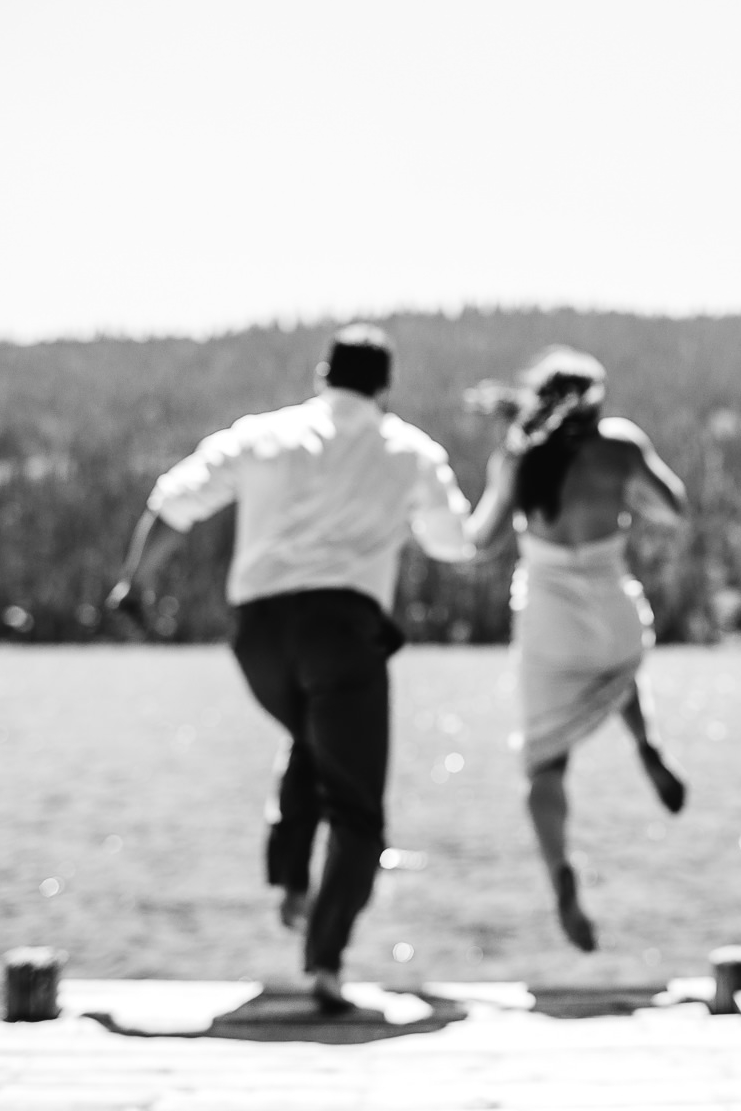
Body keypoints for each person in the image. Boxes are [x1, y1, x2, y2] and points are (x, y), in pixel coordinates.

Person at [105, 324, 476, 1012]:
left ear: (321, 374)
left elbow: (173, 501)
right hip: (342, 633)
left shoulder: (260, 434)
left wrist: (134, 582)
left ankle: (293, 882)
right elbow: (454, 543)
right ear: (384, 387)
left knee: (312, 737)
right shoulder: (409, 450)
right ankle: (325, 961)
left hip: (259, 637)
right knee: (358, 809)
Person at [463, 347, 689, 952]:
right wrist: (626, 498)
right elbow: (674, 508)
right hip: (611, 606)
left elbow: (481, 541)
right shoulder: (621, 446)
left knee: (544, 762)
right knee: (617, 667)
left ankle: (560, 872)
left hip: (548, 621)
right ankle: (647, 745)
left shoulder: (519, 453)